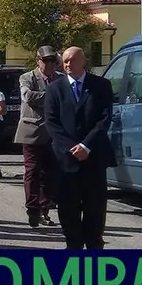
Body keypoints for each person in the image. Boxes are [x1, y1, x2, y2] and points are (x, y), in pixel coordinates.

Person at [44, 46, 117, 250]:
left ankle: (94, 245)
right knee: (68, 206)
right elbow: (51, 122)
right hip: (66, 159)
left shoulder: (101, 85)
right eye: (65, 61)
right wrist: (71, 147)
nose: (68, 64)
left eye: (72, 60)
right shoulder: (54, 89)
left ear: (83, 61)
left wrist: (86, 145)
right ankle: (73, 245)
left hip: (93, 156)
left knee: (95, 206)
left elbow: (104, 119)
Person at [14, 45, 60, 228]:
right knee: (32, 171)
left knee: (50, 174)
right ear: (37, 61)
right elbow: (28, 96)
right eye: (46, 60)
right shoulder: (27, 77)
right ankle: (32, 209)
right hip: (32, 131)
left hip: (54, 133)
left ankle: (44, 210)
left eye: (53, 61)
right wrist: (55, 95)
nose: (50, 65)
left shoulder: (61, 79)